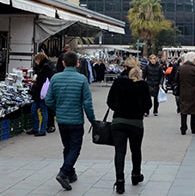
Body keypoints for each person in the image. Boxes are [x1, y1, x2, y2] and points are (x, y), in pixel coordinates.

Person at [45, 51, 96, 191]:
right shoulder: (82, 79)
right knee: (75, 148)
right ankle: (63, 172)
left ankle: (70, 173)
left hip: (62, 120)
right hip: (76, 120)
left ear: (63, 63)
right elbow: (87, 103)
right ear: (77, 63)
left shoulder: (55, 78)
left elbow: (48, 100)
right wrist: (93, 120)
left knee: (67, 147)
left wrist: (58, 109)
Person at [107, 57, 152, 194]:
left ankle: (120, 181)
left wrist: (119, 108)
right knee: (136, 150)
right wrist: (139, 110)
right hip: (136, 123)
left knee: (120, 152)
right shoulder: (143, 85)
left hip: (119, 121)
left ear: (125, 67)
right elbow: (148, 105)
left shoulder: (119, 82)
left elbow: (110, 101)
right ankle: (135, 175)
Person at [177, 52, 195, 135]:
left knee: (183, 111)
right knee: (194, 111)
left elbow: (176, 79)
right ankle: (193, 128)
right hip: (194, 92)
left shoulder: (181, 68)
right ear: (194, 59)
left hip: (183, 91)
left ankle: (183, 128)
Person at [28, 52, 52, 136]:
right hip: (38, 93)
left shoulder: (45, 67)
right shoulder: (43, 66)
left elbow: (43, 79)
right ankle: (36, 128)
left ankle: (42, 130)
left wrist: (36, 78)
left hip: (42, 93)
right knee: (34, 110)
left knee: (42, 111)